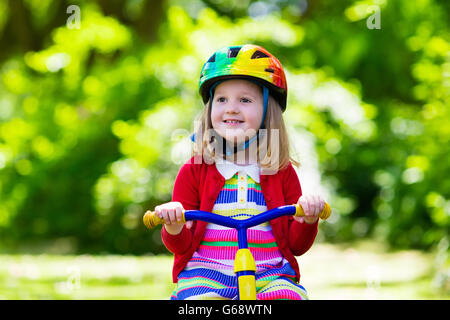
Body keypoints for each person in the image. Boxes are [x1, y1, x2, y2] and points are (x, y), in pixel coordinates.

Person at [155, 44, 326, 300]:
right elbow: (181, 246)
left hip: (270, 274)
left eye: (245, 100)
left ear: (269, 110)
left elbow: (296, 246)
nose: (231, 108)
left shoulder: (281, 171)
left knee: (289, 297)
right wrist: (175, 226)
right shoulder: (194, 170)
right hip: (206, 273)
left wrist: (308, 219)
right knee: (196, 302)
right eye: (221, 99)